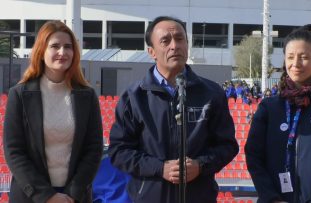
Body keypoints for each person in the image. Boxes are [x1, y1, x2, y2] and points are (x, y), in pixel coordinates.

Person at [108, 16, 239, 203]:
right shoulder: (134, 97)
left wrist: (200, 165)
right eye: (165, 41)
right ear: (151, 51)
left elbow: (227, 146)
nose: (174, 46)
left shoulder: (212, 93)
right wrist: (159, 168)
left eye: (180, 39)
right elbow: (119, 152)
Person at [245, 24, 311, 203]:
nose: (295, 64)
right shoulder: (268, 108)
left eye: (303, 57)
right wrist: (272, 199)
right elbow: (254, 156)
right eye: (290, 57)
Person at [3, 21, 103, 203]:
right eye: (55, 46)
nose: (62, 52)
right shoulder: (19, 95)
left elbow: (93, 149)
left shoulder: (87, 96)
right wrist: (48, 196)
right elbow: (14, 151)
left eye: (68, 47)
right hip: (31, 197)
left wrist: (72, 193)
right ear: (41, 51)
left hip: (75, 197)